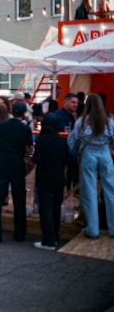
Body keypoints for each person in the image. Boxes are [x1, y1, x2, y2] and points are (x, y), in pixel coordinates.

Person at [67, 94, 114, 238]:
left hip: (88, 155)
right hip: (105, 154)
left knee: (89, 192)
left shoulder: (82, 121)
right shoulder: (109, 120)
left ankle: (92, 229)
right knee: (111, 191)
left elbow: (72, 141)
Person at [0, 102, 34, 244]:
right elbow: (29, 150)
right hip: (16, 163)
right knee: (19, 199)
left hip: (1, 161)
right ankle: (19, 234)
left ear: (11, 112)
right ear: (23, 114)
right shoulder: (25, 129)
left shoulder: (1, 126)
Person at [32, 113, 69, 250]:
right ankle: (55, 235)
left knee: (46, 208)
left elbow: (36, 159)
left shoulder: (42, 140)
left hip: (45, 177)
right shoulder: (62, 140)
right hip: (59, 177)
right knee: (56, 207)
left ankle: (48, 240)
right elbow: (67, 160)